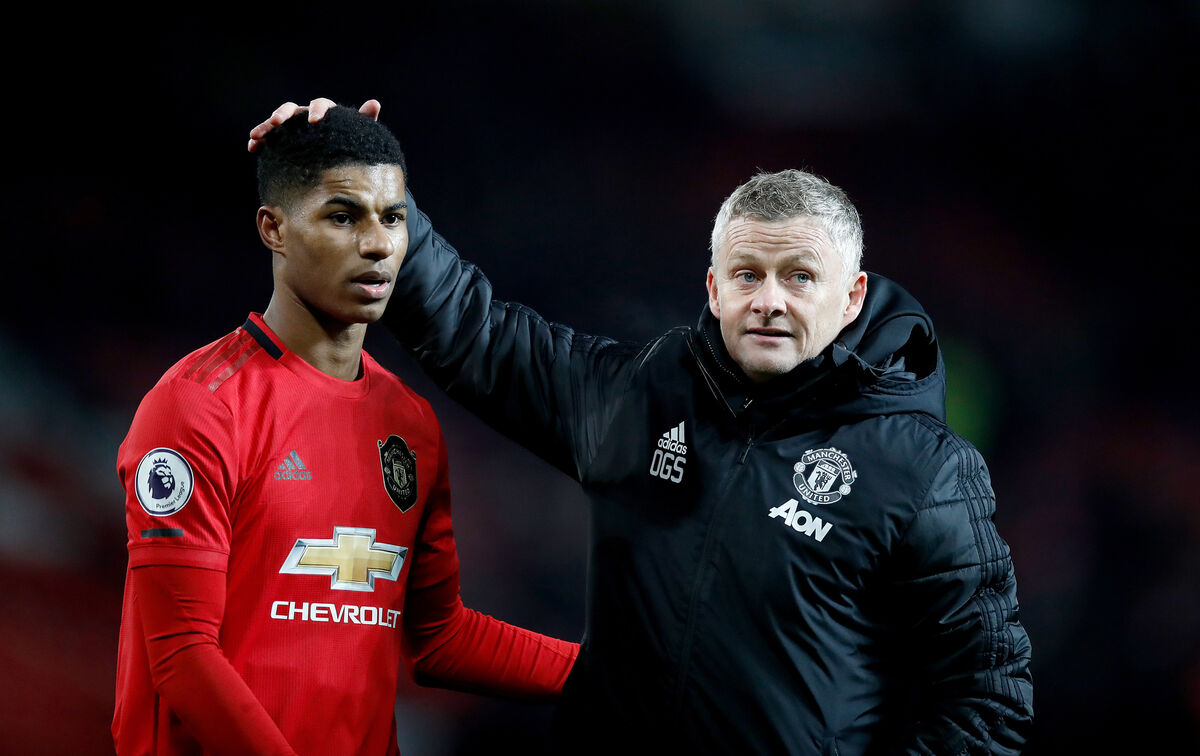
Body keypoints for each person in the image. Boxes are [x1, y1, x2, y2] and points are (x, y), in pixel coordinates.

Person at [250, 99, 1034, 755]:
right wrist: (376, 202)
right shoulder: (646, 399)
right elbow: (476, 333)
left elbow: (987, 701)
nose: (771, 300)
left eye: (800, 277)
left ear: (853, 295)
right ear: (714, 288)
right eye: (748, 275)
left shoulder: (923, 470)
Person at [113, 106, 579, 756]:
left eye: (392, 218)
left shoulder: (408, 424)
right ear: (273, 228)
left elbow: (439, 639)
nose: (378, 244)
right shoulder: (198, 406)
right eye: (343, 216)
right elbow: (182, 656)